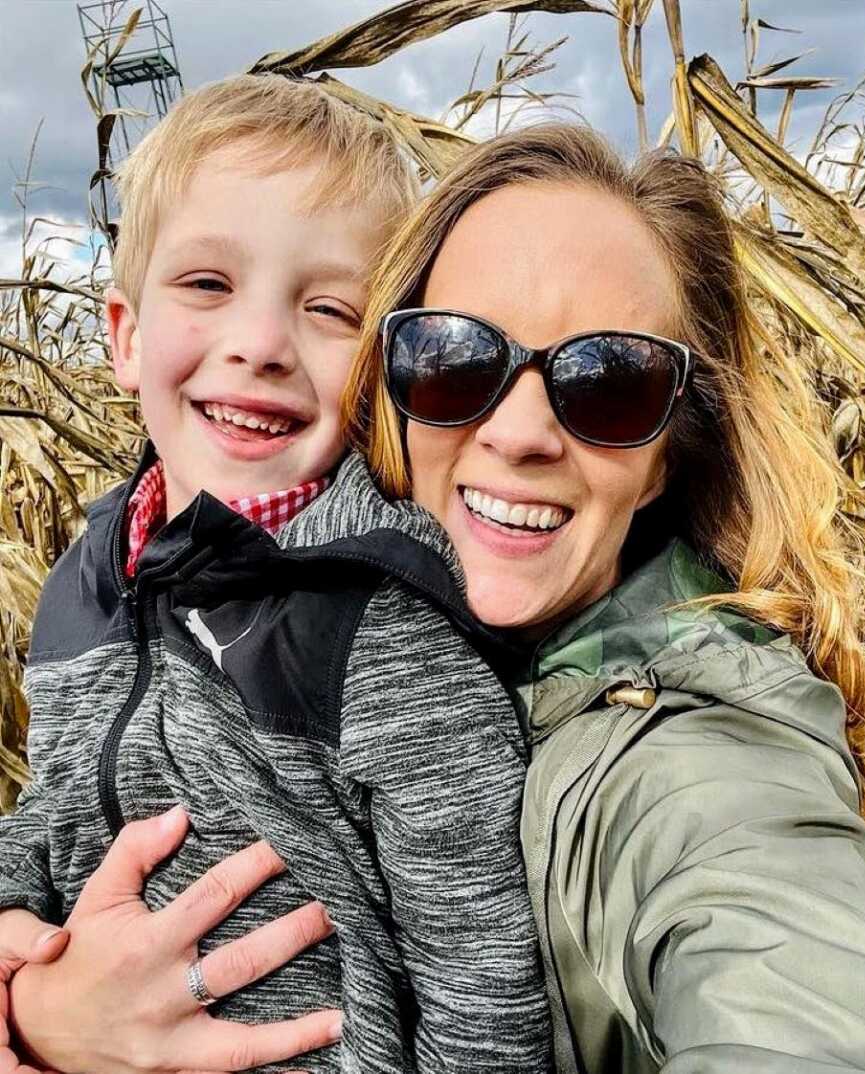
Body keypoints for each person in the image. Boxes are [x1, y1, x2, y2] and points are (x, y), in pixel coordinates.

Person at [5, 122, 865, 1073]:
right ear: (388, 387)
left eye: (611, 384)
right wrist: (37, 1005)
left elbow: (798, 997)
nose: (519, 433)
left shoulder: (701, 778)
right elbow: (60, 801)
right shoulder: (132, 578)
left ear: (668, 458)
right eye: (455, 357)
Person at [0, 76, 553, 1073]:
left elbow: (485, 997)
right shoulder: (84, 586)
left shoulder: (385, 632)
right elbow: (50, 815)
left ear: (381, 367)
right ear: (125, 336)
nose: (258, 345)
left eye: (330, 308)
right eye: (208, 285)